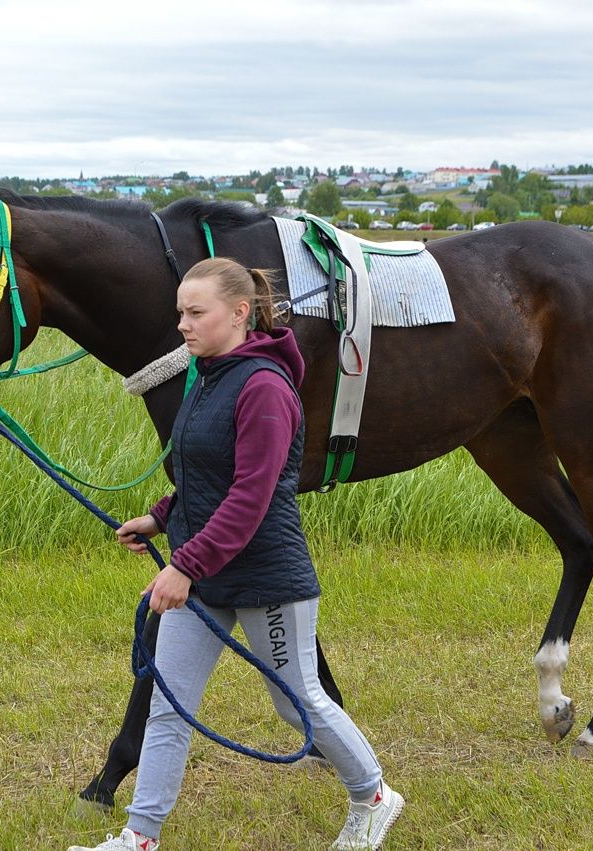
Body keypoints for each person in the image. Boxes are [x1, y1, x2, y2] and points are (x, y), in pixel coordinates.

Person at [69, 258, 402, 851]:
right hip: (206, 574)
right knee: (170, 703)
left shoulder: (266, 388)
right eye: (180, 313)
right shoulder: (209, 375)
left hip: (267, 579)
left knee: (297, 699)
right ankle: (140, 837)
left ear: (240, 314)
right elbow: (205, 473)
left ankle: (374, 796)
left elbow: (252, 494)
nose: (183, 326)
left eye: (196, 313)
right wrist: (161, 517)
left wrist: (183, 565)